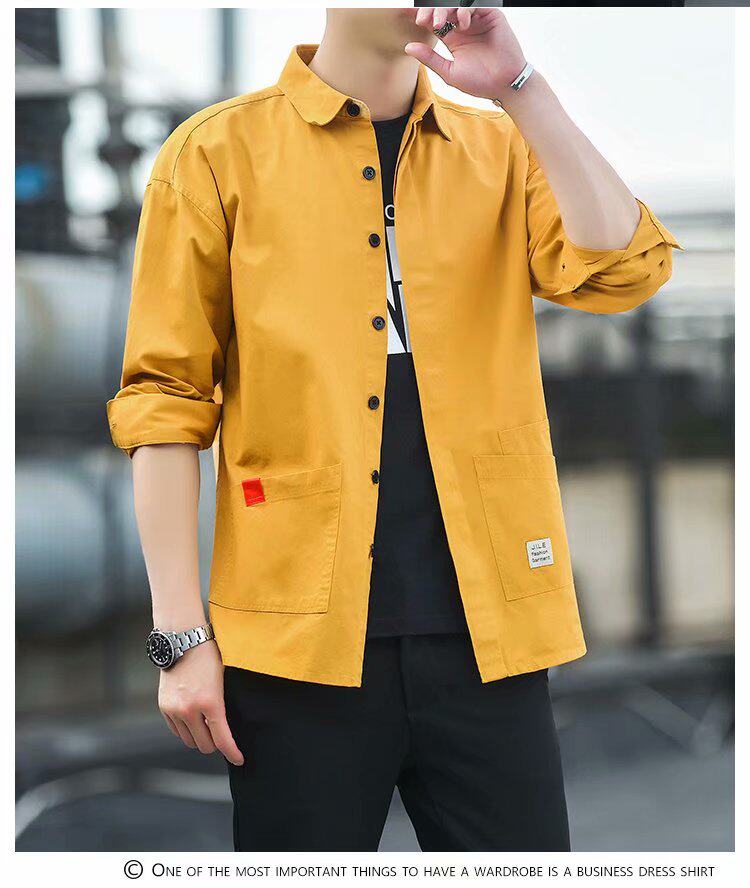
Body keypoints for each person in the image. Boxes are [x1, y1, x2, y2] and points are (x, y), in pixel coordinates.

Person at [107, 7, 680, 851]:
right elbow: (166, 398)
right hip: (295, 642)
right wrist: (181, 638)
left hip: (491, 634)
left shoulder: (501, 146)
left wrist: (520, 87)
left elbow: (623, 271)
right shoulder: (217, 153)